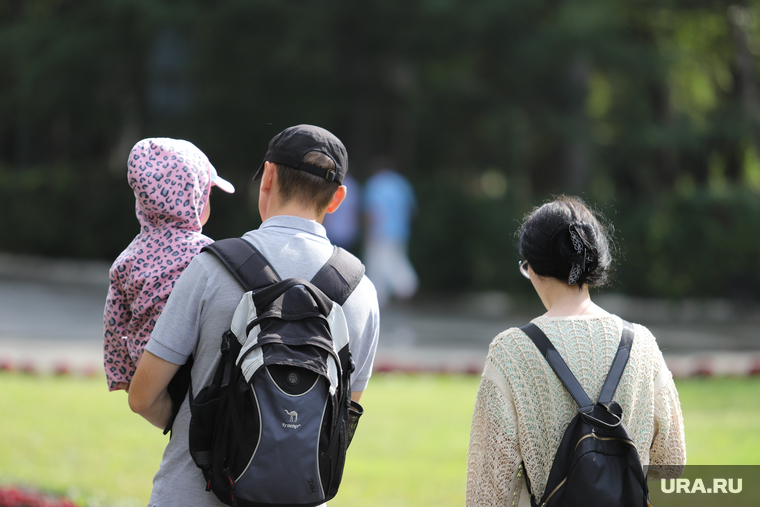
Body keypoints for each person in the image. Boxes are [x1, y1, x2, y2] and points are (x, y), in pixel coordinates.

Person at [128, 125, 380, 506]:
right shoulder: (361, 291)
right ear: (337, 198)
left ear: (268, 176)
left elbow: (142, 396)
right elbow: (341, 420)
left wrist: (204, 427)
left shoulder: (211, 269)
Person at [466, 196, 686, 506]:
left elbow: (486, 493)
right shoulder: (642, 343)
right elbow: (671, 462)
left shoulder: (511, 351)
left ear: (534, 268)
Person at [103, 137, 235, 392]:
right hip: (198, 365)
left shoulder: (127, 259)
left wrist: (123, 377)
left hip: (149, 369)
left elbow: (114, 323)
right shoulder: (208, 252)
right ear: (195, 197)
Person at [362, 160, 418, 307]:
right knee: (396, 260)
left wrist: (368, 233)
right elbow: (411, 209)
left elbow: (373, 212)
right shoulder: (401, 183)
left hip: (380, 232)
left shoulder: (375, 184)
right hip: (400, 232)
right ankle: (399, 290)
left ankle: (404, 287)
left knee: (379, 265)